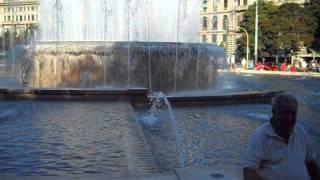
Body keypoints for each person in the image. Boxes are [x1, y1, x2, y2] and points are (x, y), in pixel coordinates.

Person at [244, 94, 319, 180]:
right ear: (274, 112)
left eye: (293, 113)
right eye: (285, 113)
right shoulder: (261, 135)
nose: (290, 118)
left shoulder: (300, 132)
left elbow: (310, 163)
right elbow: (249, 171)